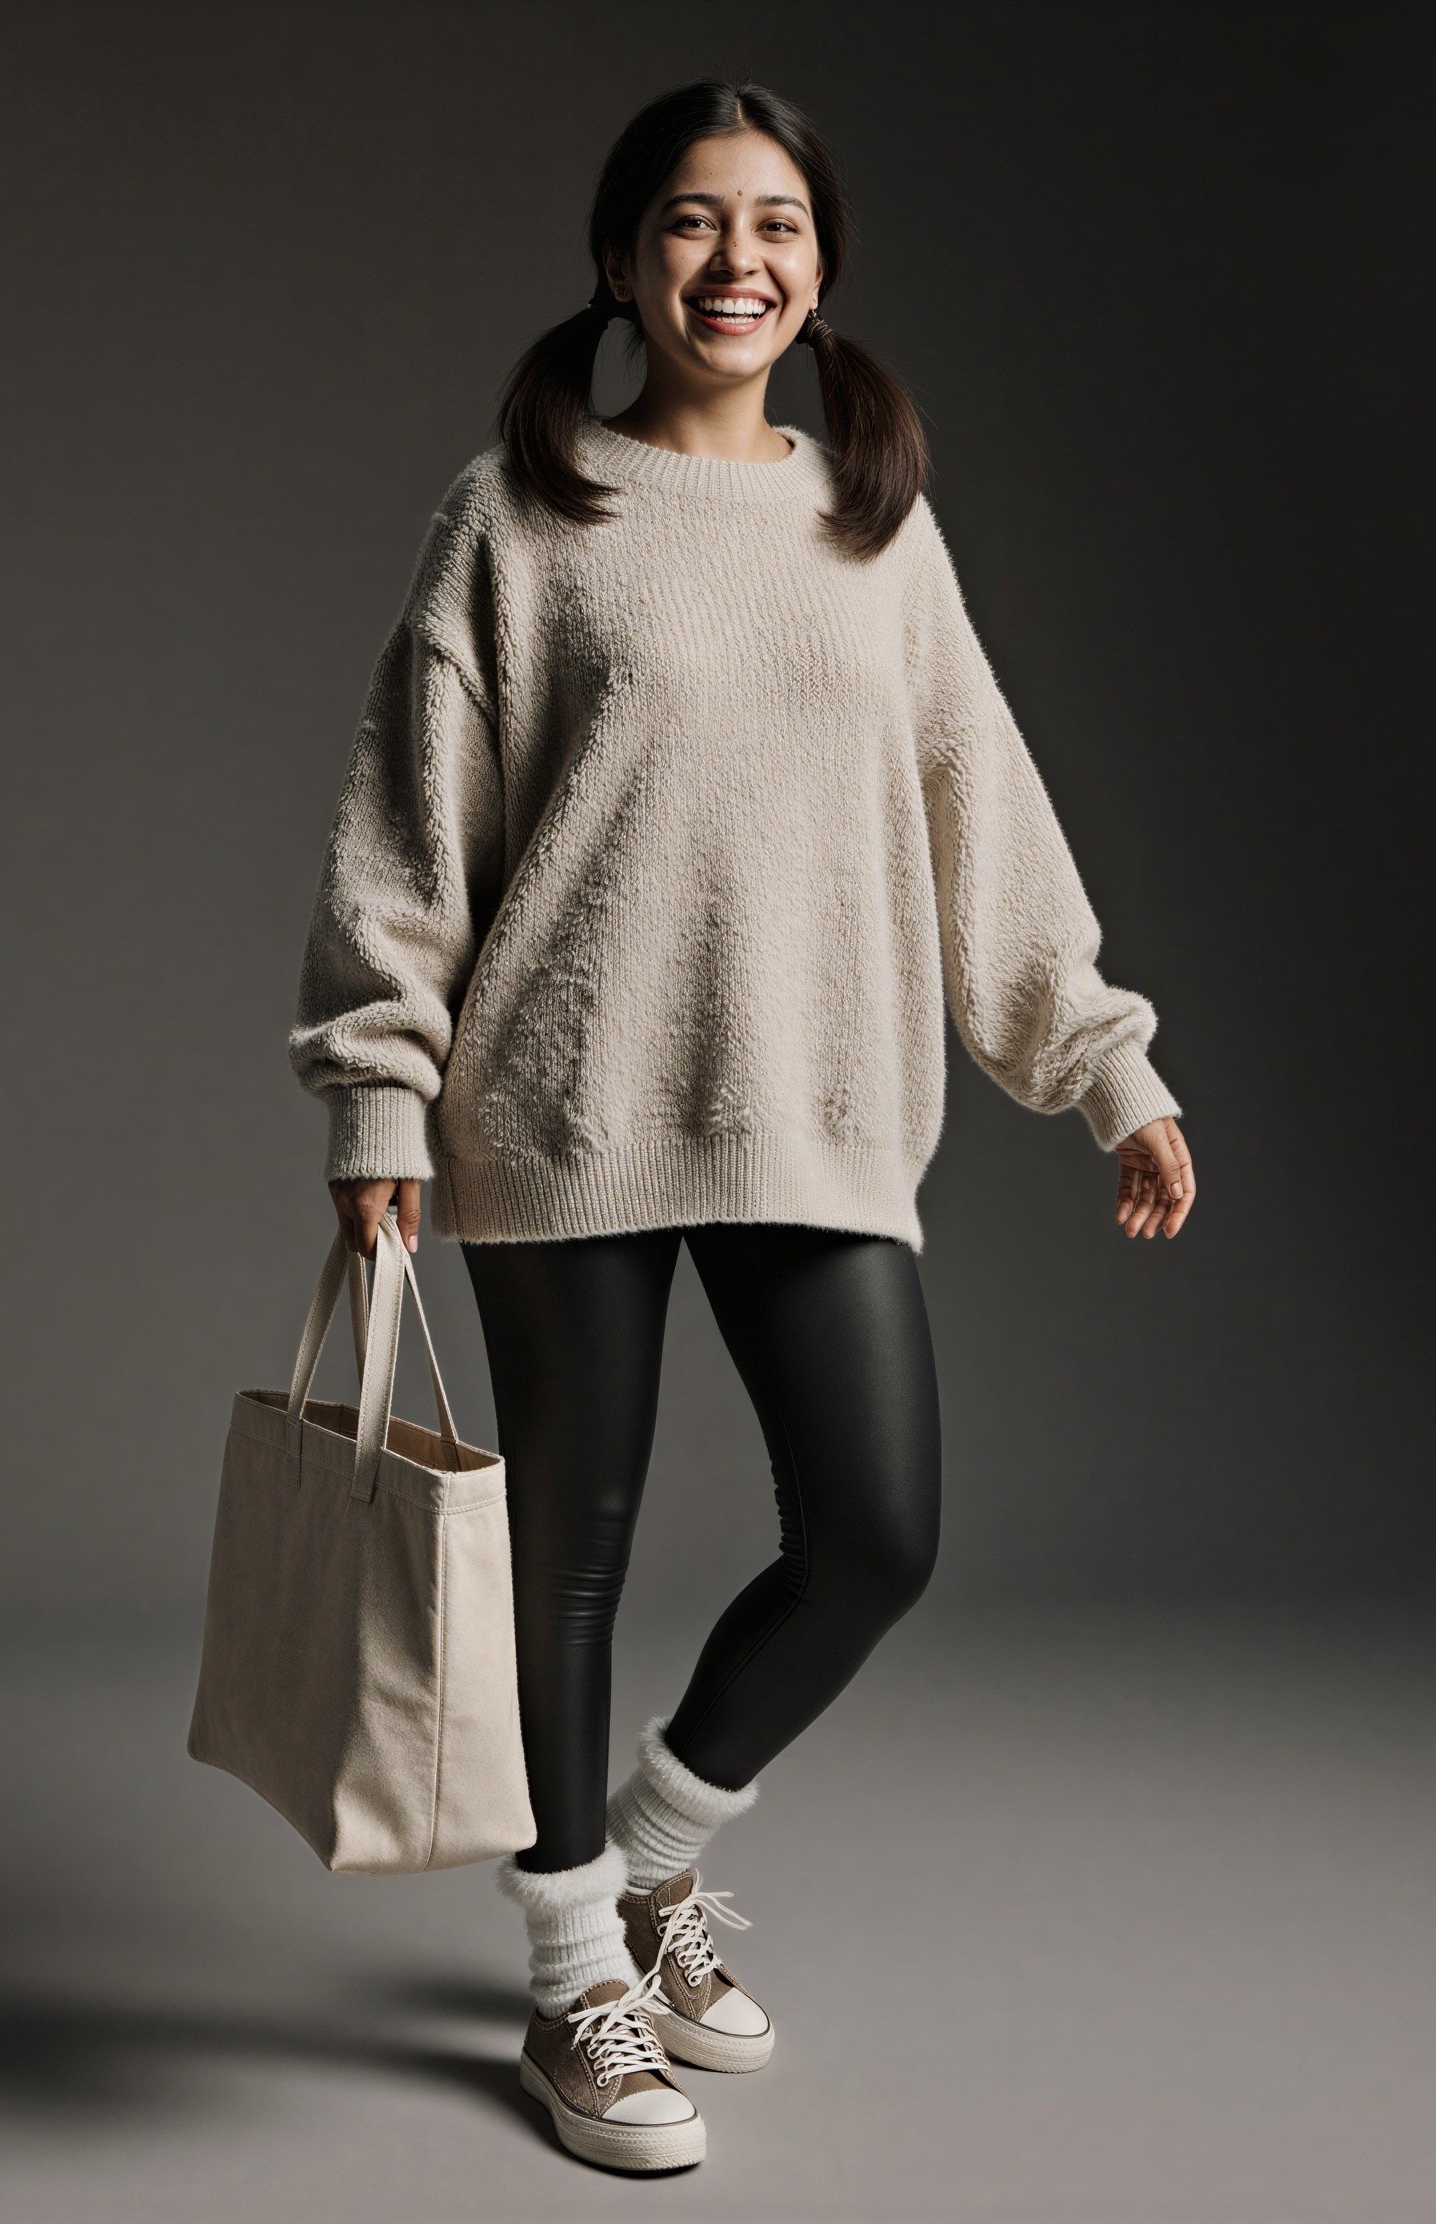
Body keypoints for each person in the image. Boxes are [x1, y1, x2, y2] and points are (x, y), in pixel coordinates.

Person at [289, 76, 1196, 2176]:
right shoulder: (515, 514)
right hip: (557, 1111)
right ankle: (562, 1976)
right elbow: (401, 844)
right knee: (566, 1560)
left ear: (821, 267)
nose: (736, 261)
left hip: (816, 1110)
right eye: (693, 223)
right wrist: (374, 1094)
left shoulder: (871, 524)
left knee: (872, 1532)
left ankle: (648, 1857)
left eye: (775, 223)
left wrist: (1107, 1066)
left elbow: (988, 814)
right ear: (621, 263)